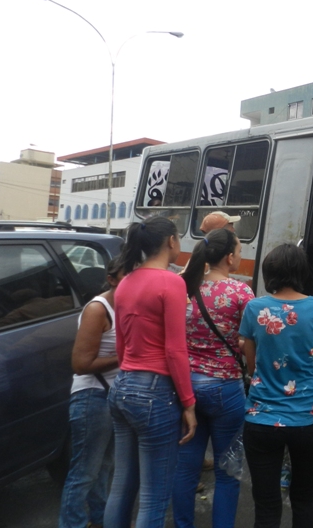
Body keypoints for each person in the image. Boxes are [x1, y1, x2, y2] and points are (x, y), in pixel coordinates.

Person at [105, 216, 197, 528]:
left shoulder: (126, 282)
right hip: (154, 394)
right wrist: (188, 403)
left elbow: (121, 346)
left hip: (122, 386)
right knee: (154, 497)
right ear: (171, 241)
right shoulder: (172, 282)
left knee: (121, 485)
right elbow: (175, 349)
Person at [240, 244, 313, 528]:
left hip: (261, 419)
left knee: (266, 505)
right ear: (302, 272)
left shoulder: (255, 308)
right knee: (304, 497)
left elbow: (251, 367)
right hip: (308, 417)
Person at [172, 228, 255, 528]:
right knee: (227, 471)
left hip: (187, 388)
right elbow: (249, 342)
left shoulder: (184, 287)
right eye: (240, 251)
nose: (241, 257)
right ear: (229, 257)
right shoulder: (241, 292)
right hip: (226, 389)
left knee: (185, 469)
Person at [58, 259, 123, 528]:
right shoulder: (99, 309)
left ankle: (101, 520)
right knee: (84, 472)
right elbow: (81, 364)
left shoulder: (129, 306)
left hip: (112, 397)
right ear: (111, 279)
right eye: (128, 275)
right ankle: (72, 523)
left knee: (105, 466)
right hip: (92, 398)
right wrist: (125, 356)